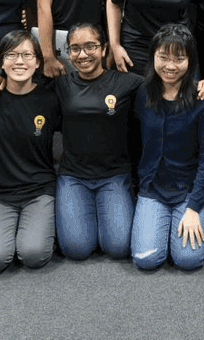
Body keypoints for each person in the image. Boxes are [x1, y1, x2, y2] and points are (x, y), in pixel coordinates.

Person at [51, 23, 144, 260]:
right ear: (68, 52)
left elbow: (165, 84)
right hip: (73, 176)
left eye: (90, 46)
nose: (82, 55)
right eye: (75, 48)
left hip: (114, 175)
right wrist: (0, 79)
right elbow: (26, 89)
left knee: (119, 248)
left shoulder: (126, 82)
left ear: (103, 49)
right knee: (76, 250)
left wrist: (201, 85)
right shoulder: (61, 84)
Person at [132, 25, 204, 271]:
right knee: (146, 259)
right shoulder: (143, 92)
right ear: (153, 57)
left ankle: (202, 212)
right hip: (153, 187)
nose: (170, 66)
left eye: (179, 59)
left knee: (188, 259)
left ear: (190, 61)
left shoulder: (203, 99)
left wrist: (193, 208)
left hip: (190, 189)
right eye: (163, 57)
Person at [0, 31, 59, 274]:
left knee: (33, 254)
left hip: (39, 191)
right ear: (1, 62)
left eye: (27, 55)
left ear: (38, 62)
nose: (19, 61)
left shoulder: (51, 98)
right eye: (11, 55)